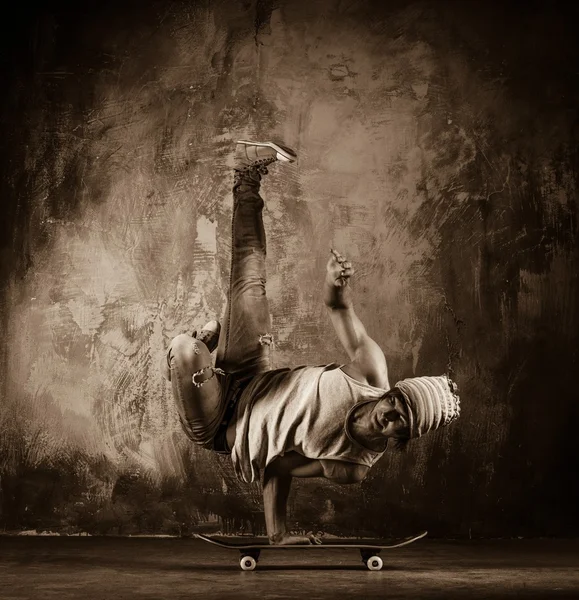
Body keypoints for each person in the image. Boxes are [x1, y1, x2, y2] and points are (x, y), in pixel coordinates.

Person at [162, 140, 460, 545]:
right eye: (395, 404)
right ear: (393, 391)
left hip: (219, 424)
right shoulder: (370, 368)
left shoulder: (350, 465)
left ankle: (201, 348)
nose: (387, 417)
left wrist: (278, 535)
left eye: (398, 424)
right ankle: (247, 174)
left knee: (184, 350)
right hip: (251, 373)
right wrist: (335, 281)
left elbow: (277, 467)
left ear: (401, 438)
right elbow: (338, 308)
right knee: (251, 276)